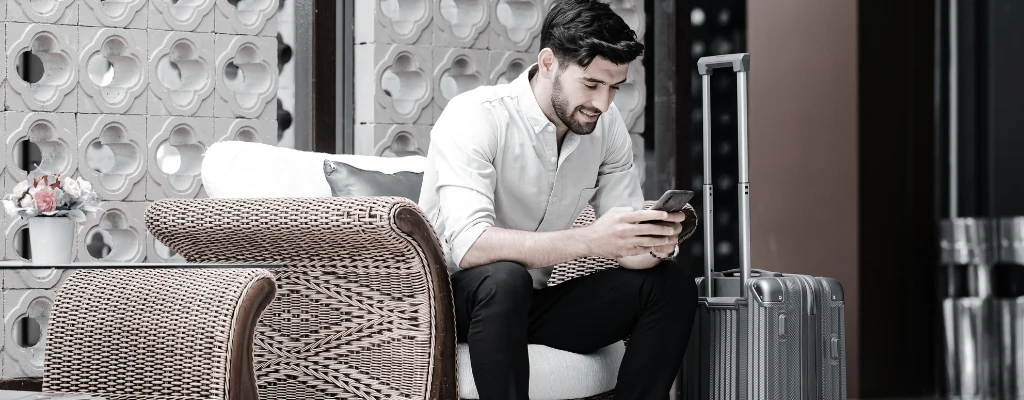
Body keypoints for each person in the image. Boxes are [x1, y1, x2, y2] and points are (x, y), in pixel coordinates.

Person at [418, 0, 698, 398]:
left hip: (528, 303)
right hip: (449, 303)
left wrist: (652, 240)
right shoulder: (475, 116)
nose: (602, 104)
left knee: (670, 284)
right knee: (504, 277)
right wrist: (593, 240)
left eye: (614, 88)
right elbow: (470, 244)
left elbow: (627, 252)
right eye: (591, 84)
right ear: (549, 63)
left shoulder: (606, 127)